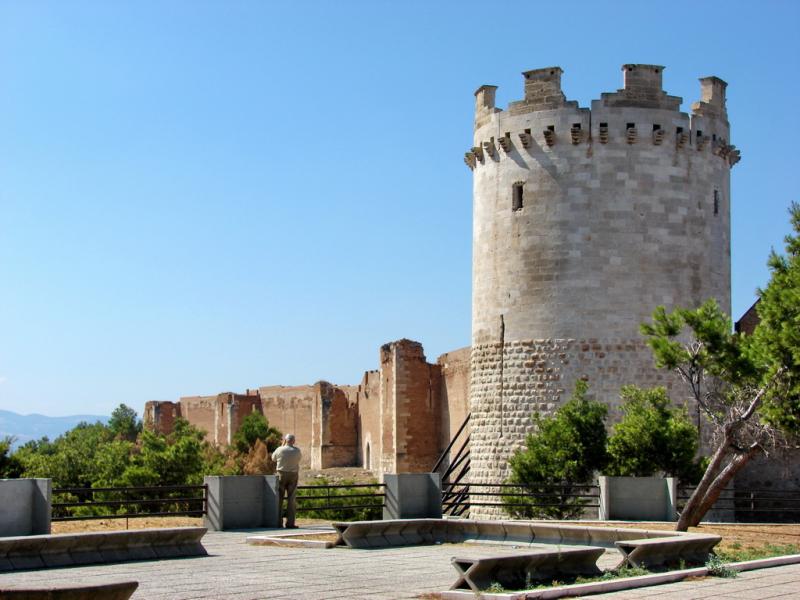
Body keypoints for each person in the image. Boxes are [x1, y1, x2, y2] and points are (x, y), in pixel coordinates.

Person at [272, 433, 302, 528]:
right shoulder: (297, 451)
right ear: (293, 441)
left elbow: (273, 458)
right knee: (291, 499)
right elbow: (299, 459)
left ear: (285, 440)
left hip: (281, 474)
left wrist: (282, 445)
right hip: (293, 474)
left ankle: (278, 522)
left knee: (279, 499)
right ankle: (290, 523)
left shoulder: (279, 449)